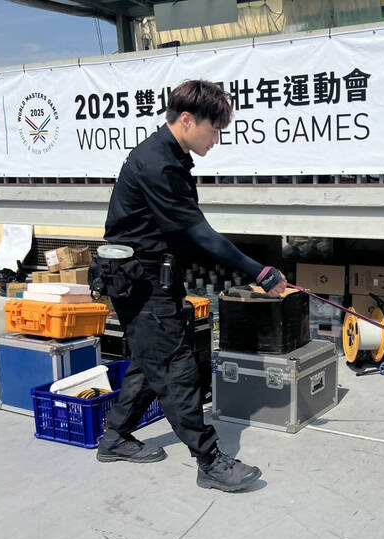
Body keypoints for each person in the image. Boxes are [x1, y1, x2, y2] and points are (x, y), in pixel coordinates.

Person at [95, 79, 286, 492]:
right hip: (141, 283)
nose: (216, 140)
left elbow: (181, 233)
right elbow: (199, 232)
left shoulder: (171, 157)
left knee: (151, 362)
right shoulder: (158, 164)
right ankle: (209, 461)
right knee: (177, 368)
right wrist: (259, 272)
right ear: (187, 119)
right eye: (214, 130)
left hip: (153, 277)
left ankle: (114, 437)